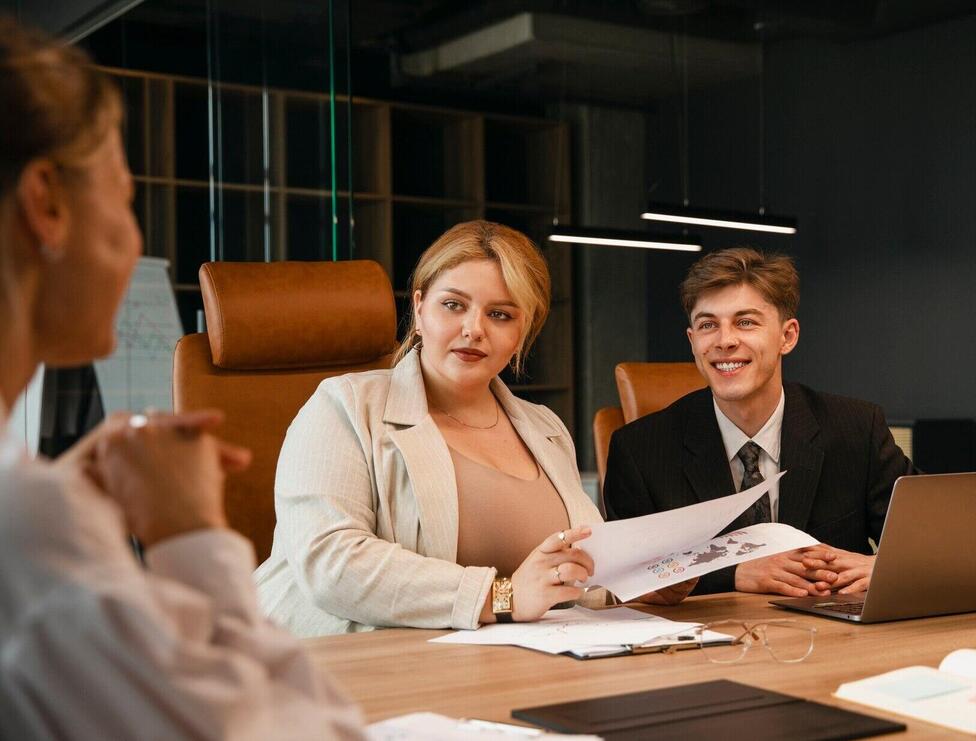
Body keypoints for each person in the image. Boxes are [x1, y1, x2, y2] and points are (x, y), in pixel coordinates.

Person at [0, 18, 365, 739]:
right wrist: (193, 535)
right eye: (127, 198)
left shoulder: (32, 514)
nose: (135, 236)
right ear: (46, 202)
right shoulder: (28, 523)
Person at [257, 220, 675, 636]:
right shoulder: (343, 406)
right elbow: (332, 563)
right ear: (419, 309)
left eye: (499, 314)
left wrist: (627, 587)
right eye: (453, 305)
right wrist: (501, 596)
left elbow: (565, 575)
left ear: (521, 332)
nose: (474, 329)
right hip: (356, 671)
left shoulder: (544, 428)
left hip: (519, 664)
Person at [604, 247, 915, 599]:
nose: (725, 341)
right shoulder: (640, 450)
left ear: (788, 336)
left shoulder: (856, 428)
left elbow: (933, 539)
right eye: (708, 325)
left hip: (835, 638)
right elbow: (623, 575)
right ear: (693, 342)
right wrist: (732, 573)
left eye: (745, 322)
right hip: (711, 645)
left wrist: (885, 564)